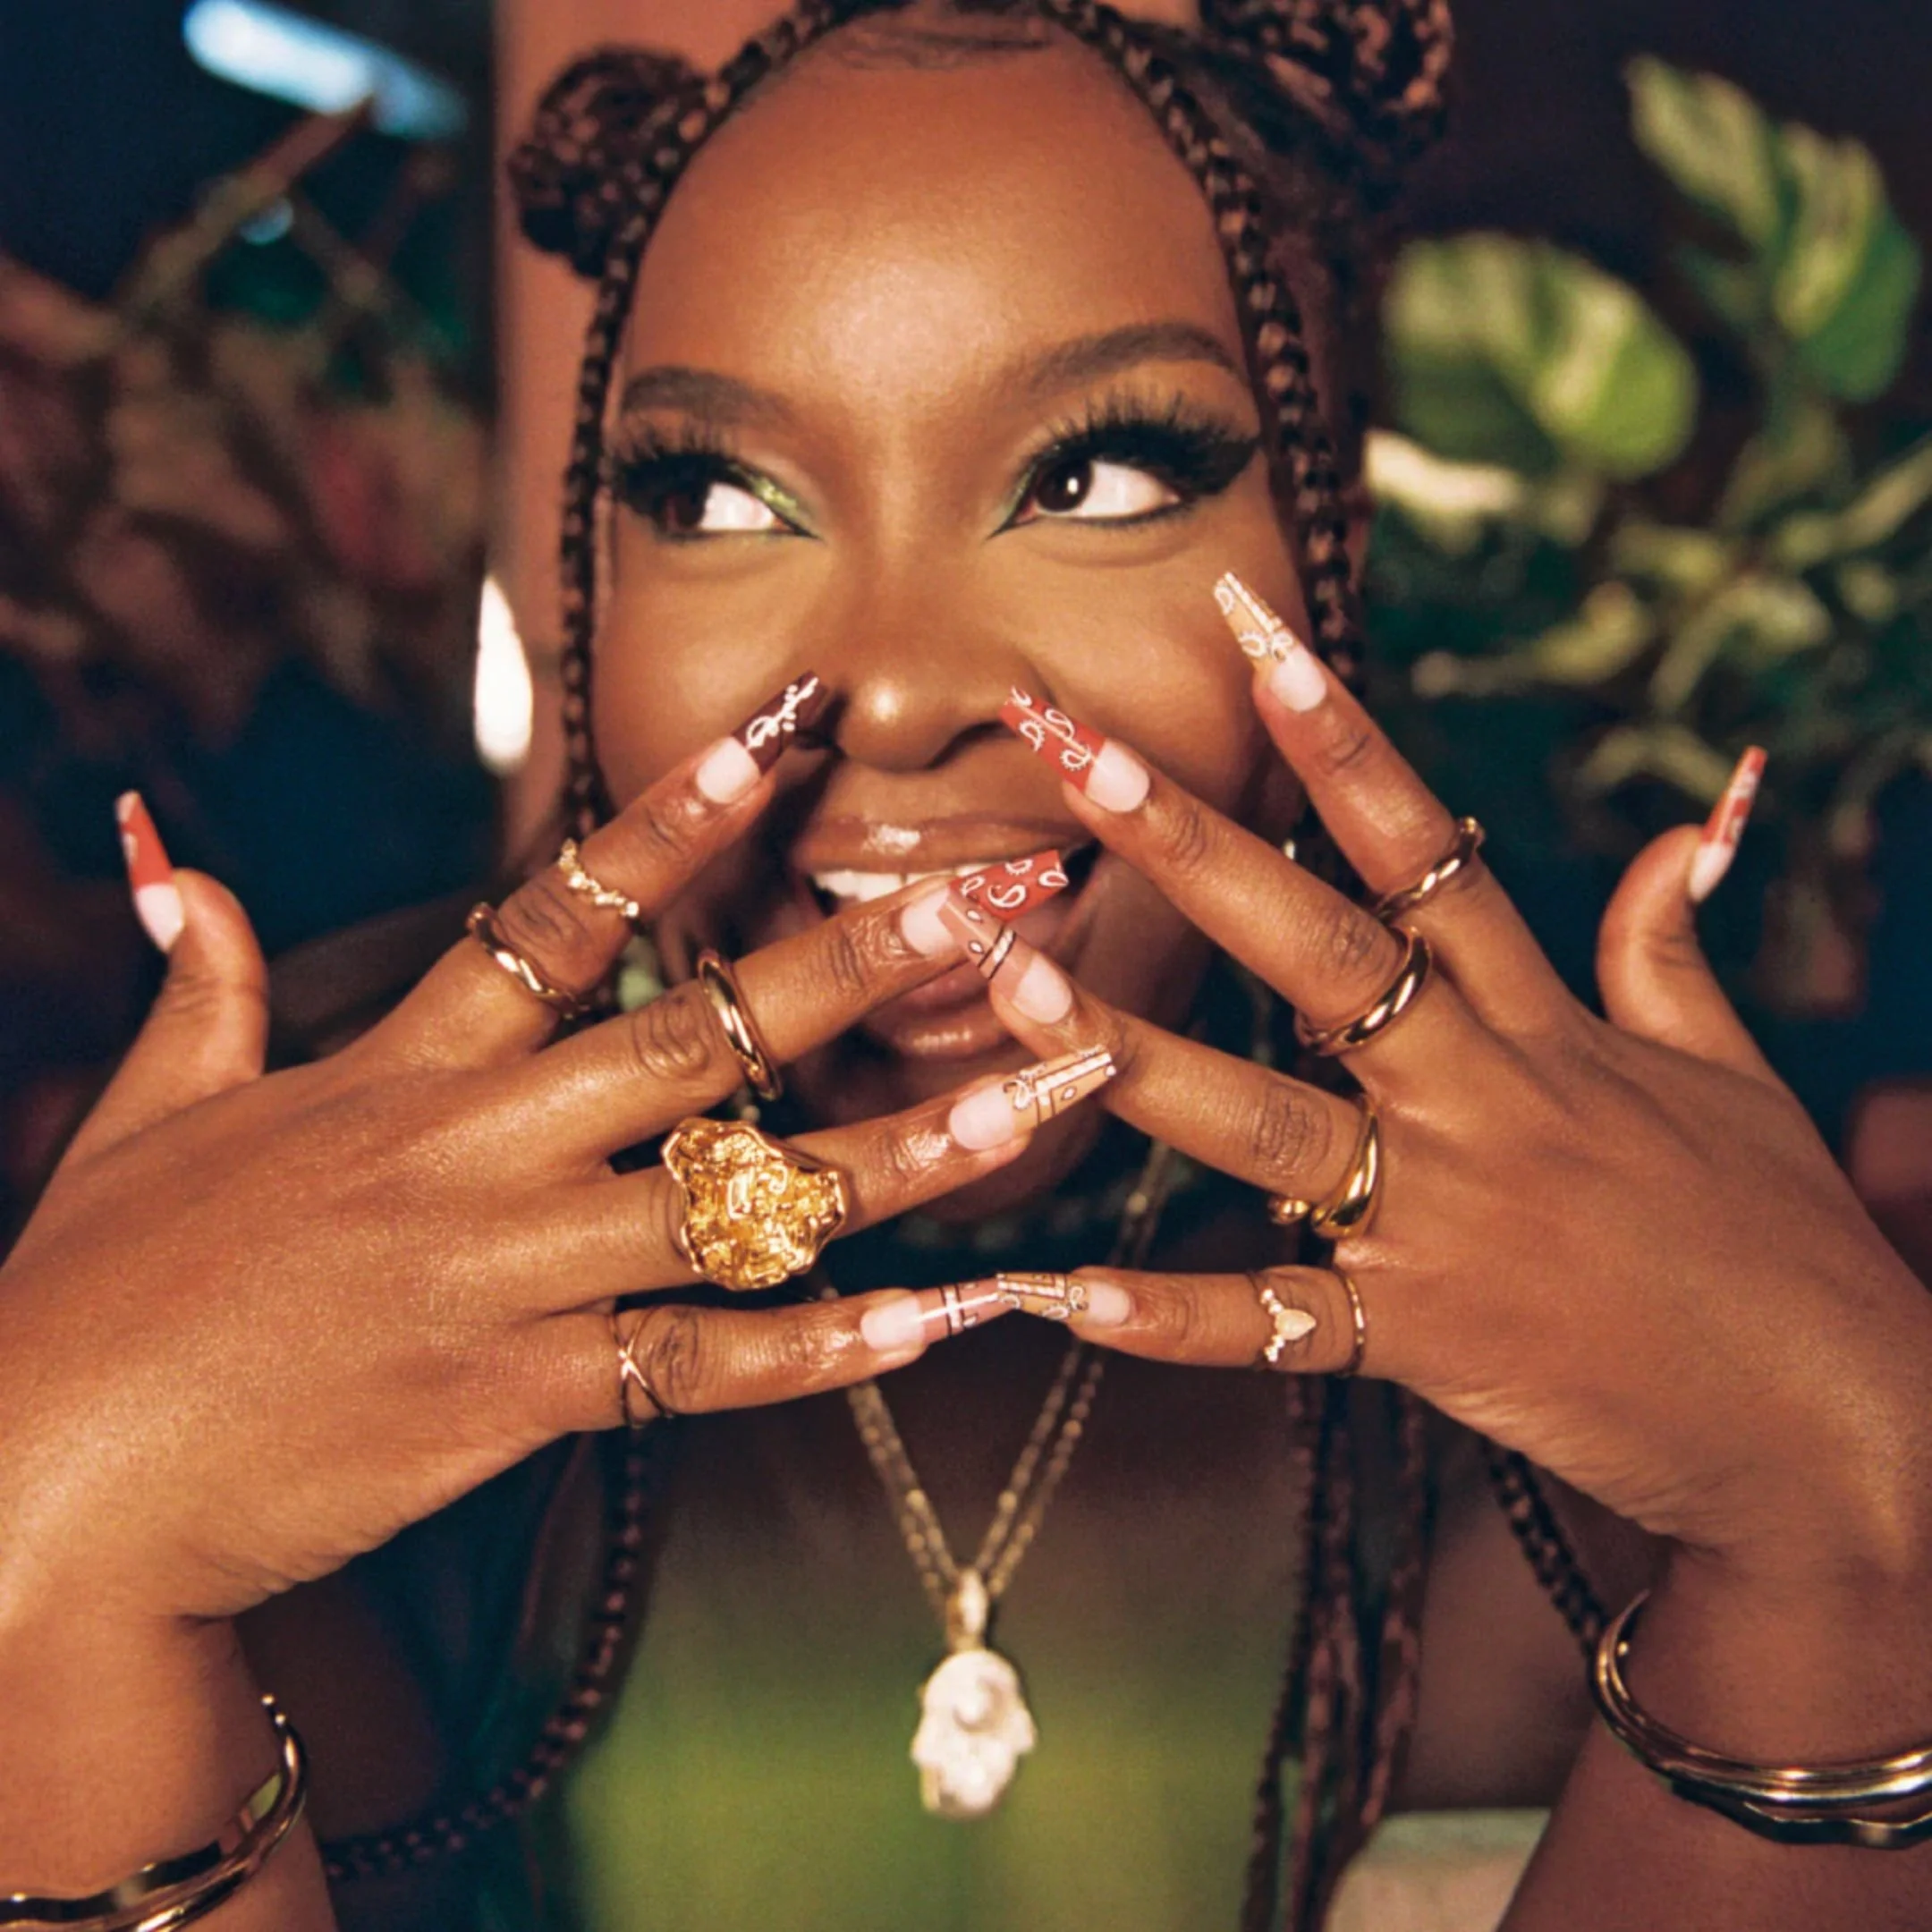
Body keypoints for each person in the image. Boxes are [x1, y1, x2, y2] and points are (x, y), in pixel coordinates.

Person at [4, 4, 1930, 1928]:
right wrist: (47, 1577)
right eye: (715, 496)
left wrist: (1855, 1547)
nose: (902, 691)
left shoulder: (1589, 1390)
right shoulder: (334, 1311)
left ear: (1324, 540)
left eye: (1097, 476)